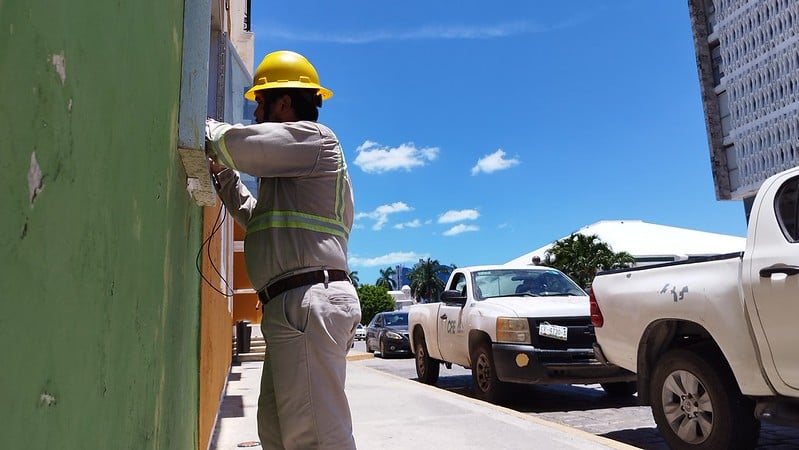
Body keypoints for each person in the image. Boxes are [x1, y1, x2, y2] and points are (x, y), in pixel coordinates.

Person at [205, 50, 361, 449]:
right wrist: (224, 179)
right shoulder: (295, 169)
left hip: (308, 301)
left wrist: (201, 126)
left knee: (314, 440)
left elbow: (241, 145)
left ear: (285, 102)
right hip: (293, 305)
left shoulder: (313, 139)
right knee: (277, 434)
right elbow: (259, 218)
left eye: (260, 102)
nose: (255, 112)